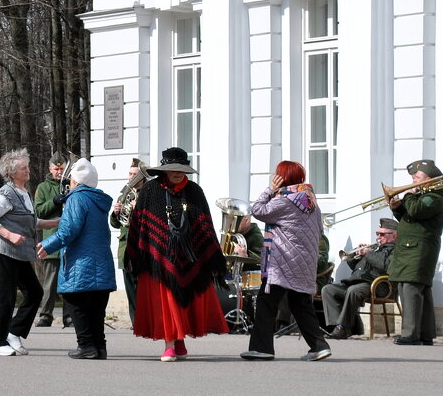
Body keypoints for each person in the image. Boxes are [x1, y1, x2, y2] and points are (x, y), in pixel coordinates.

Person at [125, 146, 228, 362]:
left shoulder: (194, 191)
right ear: (164, 169)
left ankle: (179, 340)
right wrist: (138, 253)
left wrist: (210, 255)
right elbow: (139, 224)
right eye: (173, 168)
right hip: (159, 259)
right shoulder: (150, 190)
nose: (178, 172)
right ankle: (170, 343)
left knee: (185, 300)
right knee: (167, 301)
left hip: (190, 256)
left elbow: (204, 224)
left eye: (182, 169)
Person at [240, 160, 332, 361]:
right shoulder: (311, 201)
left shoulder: (284, 200)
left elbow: (258, 210)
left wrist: (269, 190)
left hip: (282, 262)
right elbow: (319, 230)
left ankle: (261, 348)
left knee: (266, 303)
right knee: (300, 304)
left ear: (281, 178)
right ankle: (319, 346)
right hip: (304, 262)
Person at [0, 149, 59, 356]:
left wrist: (57, 222)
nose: (28, 170)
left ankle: (14, 332)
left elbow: (30, 222)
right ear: (12, 173)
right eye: (23, 168)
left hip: (19, 253)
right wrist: (9, 235)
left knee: (35, 292)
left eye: (27, 167)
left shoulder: (24, 193)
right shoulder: (6, 193)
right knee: (5, 297)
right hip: (3, 250)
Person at [37, 159, 116, 359]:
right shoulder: (99, 201)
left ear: (77, 181)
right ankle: (99, 347)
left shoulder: (76, 198)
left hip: (81, 263)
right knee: (97, 308)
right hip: (102, 262)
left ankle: (86, 345)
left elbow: (68, 230)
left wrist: (47, 245)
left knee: (75, 302)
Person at [388, 159, 443, 346]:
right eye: (413, 178)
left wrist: (408, 196)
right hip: (410, 249)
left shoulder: (435, 198)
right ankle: (425, 333)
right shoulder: (423, 197)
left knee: (411, 289)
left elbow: (415, 210)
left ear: (429, 180)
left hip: (420, 250)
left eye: (417, 177)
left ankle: (410, 334)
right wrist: (397, 207)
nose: (413, 180)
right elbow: (408, 218)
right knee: (418, 289)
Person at [321, 218, 397, 339]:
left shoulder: (396, 250)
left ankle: (343, 327)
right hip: (361, 283)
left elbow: (386, 266)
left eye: (382, 234)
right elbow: (357, 268)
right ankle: (336, 326)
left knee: (353, 291)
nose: (379, 237)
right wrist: (356, 256)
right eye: (377, 233)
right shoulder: (376, 248)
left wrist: (369, 253)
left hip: (380, 286)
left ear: (394, 236)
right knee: (328, 289)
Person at [109, 158, 147, 325]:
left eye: (135, 174)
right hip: (126, 246)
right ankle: (135, 321)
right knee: (130, 286)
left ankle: (146, 321)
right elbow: (116, 224)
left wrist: (138, 209)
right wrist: (116, 213)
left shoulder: (149, 194)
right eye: (130, 174)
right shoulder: (124, 194)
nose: (131, 177)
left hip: (143, 246)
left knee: (144, 287)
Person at [33, 154, 68, 327]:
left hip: (69, 240)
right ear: (50, 169)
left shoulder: (71, 184)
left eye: (62, 169)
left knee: (68, 280)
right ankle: (46, 315)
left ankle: (69, 316)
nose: (59, 172)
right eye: (56, 169)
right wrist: (54, 201)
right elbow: (38, 212)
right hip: (52, 240)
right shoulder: (43, 187)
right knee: (50, 281)